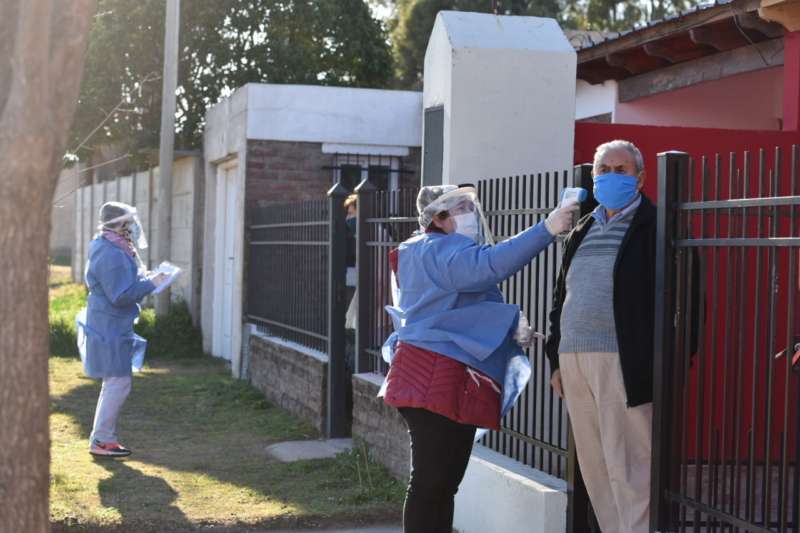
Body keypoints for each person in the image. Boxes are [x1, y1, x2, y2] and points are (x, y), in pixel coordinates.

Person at [380, 184, 577, 533]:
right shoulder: (444, 249)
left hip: (426, 375)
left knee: (440, 484)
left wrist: (512, 329)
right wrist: (546, 228)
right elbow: (489, 266)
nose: (470, 213)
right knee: (432, 484)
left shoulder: (422, 250)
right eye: (460, 208)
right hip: (436, 377)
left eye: (469, 206)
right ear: (438, 219)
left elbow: (449, 309)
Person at [545, 140, 655, 533]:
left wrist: (662, 362)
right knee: (595, 469)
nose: (610, 177)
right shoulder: (582, 227)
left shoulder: (654, 227)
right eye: (602, 171)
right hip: (574, 364)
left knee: (629, 468)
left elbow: (685, 298)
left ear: (639, 178)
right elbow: (561, 297)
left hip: (621, 362)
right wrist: (555, 360)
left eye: (620, 170)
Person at [79, 201, 166, 457]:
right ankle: (102, 441)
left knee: (115, 382)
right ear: (118, 225)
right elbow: (120, 294)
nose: (133, 227)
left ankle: (102, 438)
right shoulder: (111, 253)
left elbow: (125, 282)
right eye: (128, 222)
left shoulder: (112, 246)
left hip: (111, 323)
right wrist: (153, 284)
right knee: (118, 382)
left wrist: (149, 278)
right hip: (109, 325)